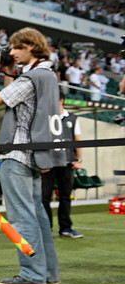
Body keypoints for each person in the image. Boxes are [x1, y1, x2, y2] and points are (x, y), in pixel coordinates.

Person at [0, 27, 63, 284]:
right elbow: (14, 100)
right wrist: (7, 73)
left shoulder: (31, 78)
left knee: (22, 219)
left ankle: (32, 274)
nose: (12, 52)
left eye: (17, 47)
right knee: (38, 217)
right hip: (38, 155)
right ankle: (49, 273)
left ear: (31, 47)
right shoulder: (48, 75)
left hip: (18, 155)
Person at [42, 93, 83, 238]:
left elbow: (77, 140)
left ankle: (66, 228)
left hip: (67, 162)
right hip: (49, 163)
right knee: (44, 198)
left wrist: (79, 160)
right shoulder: (45, 118)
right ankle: (46, 229)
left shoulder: (72, 118)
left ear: (61, 100)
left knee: (65, 196)